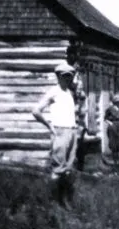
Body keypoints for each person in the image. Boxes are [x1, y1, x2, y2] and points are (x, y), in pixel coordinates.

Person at [33, 63, 82, 209]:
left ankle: (65, 201)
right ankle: (52, 202)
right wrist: (50, 127)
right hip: (60, 131)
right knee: (57, 168)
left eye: (69, 76)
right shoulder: (54, 91)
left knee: (68, 168)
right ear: (58, 76)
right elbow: (36, 111)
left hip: (72, 131)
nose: (67, 79)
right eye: (64, 76)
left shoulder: (69, 92)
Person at [104, 93, 119, 170]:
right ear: (115, 102)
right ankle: (115, 162)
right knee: (113, 144)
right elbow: (105, 119)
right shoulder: (109, 109)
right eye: (117, 102)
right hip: (112, 126)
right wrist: (111, 124)